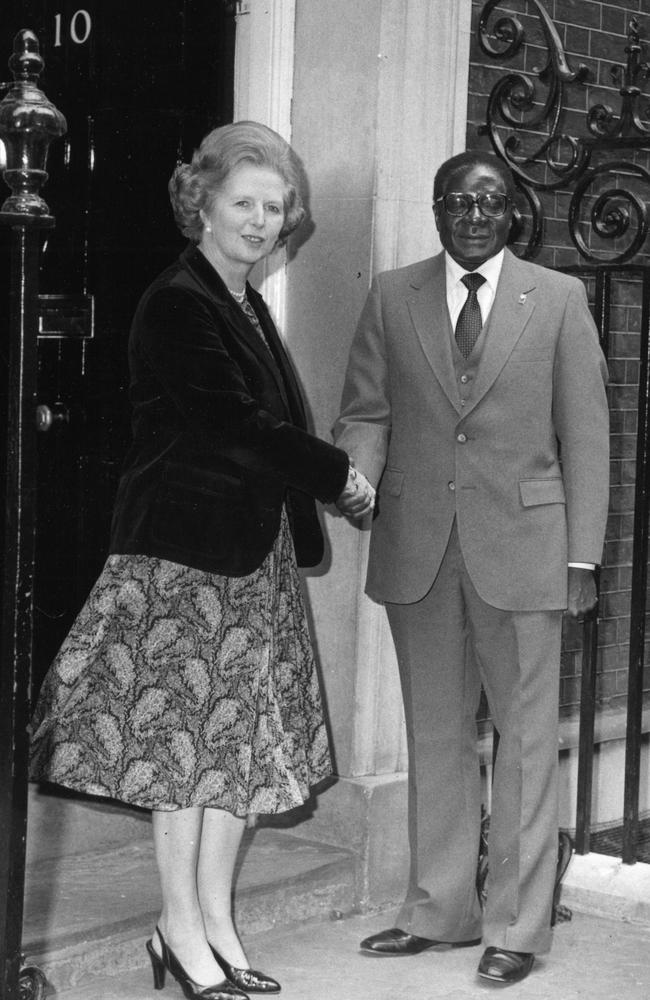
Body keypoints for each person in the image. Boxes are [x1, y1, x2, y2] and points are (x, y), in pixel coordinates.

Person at [29, 120, 374, 1000]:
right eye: (244, 203)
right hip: (185, 560)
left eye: (275, 206)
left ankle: (215, 922)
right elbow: (236, 428)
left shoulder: (244, 298)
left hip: (246, 560)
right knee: (183, 757)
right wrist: (341, 477)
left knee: (241, 754)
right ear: (203, 204)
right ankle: (179, 931)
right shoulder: (180, 299)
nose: (261, 220)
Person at [334, 150, 609, 986]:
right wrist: (357, 476)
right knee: (437, 735)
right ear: (435, 208)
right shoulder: (393, 293)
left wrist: (581, 557)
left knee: (526, 741)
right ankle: (438, 909)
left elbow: (588, 438)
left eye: (488, 201)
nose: (472, 215)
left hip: (527, 552)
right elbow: (365, 411)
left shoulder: (559, 299)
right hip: (419, 548)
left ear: (513, 212)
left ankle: (516, 929)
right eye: (455, 201)